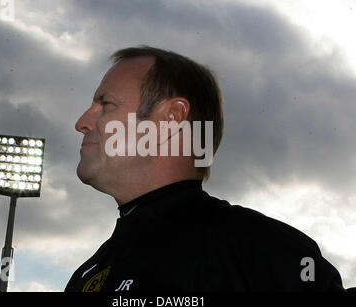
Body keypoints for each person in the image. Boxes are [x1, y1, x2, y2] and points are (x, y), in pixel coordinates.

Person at [65, 46, 346, 292]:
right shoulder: (89, 273)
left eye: (106, 105)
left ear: (170, 118)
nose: (82, 122)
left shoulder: (254, 249)